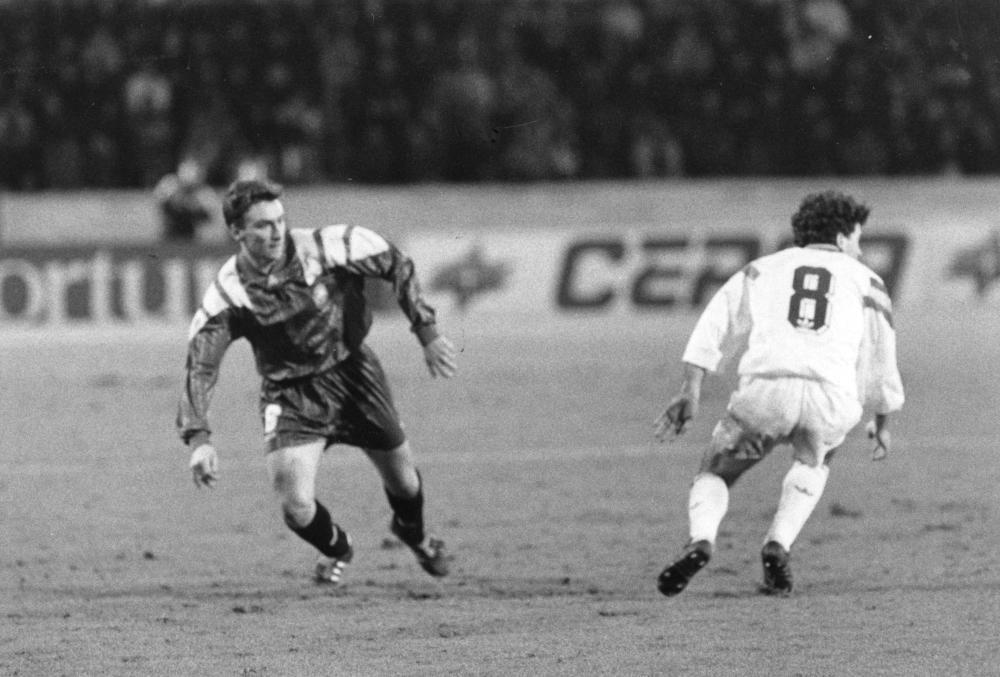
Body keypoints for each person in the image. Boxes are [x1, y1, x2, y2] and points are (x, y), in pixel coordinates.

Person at [176, 179, 458, 585]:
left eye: (279, 220)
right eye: (262, 225)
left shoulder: (327, 247)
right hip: (291, 395)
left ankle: (413, 534)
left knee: (404, 480)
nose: (276, 232)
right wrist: (198, 439)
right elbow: (201, 365)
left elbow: (396, 263)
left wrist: (426, 331)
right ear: (237, 232)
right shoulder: (229, 292)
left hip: (353, 373)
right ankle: (338, 549)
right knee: (295, 505)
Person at [653, 190, 904, 596]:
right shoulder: (868, 281)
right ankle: (778, 544)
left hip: (766, 391)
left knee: (715, 471)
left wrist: (690, 390)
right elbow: (881, 356)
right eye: (858, 239)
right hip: (830, 398)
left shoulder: (762, 269)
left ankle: (701, 540)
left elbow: (713, 326)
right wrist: (882, 419)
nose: (859, 249)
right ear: (841, 239)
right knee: (816, 458)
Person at [154, 158, 216, 242]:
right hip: (170, 231)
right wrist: (177, 204)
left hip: (191, 234)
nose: (188, 191)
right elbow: (159, 204)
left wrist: (194, 209)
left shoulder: (204, 192)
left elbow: (210, 217)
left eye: (191, 188)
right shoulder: (169, 184)